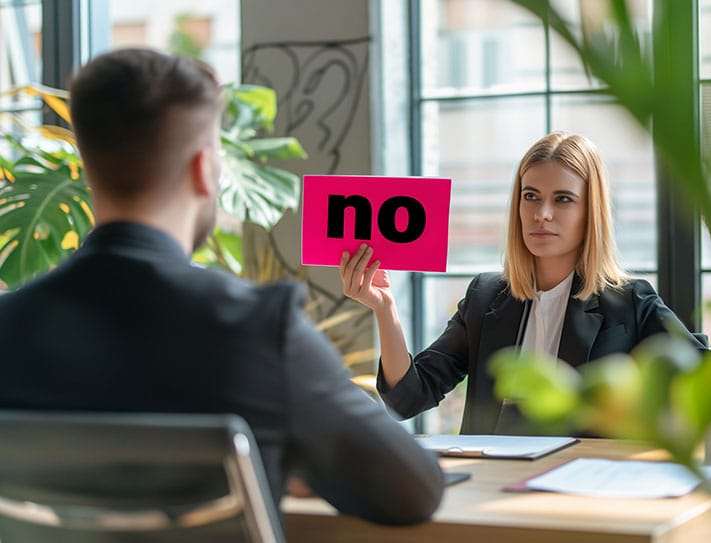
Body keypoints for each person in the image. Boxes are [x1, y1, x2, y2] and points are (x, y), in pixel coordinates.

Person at [0, 48, 442, 525]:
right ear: (204, 169)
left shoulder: (9, 328)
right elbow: (413, 492)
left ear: (87, 164)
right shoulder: (257, 330)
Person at [340, 131, 709, 435]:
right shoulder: (485, 297)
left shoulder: (629, 302)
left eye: (562, 199)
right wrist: (384, 308)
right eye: (530, 196)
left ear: (590, 212)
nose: (541, 214)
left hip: (581, 492)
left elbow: (704, 381)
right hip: (489, 487)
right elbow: (406, 400)